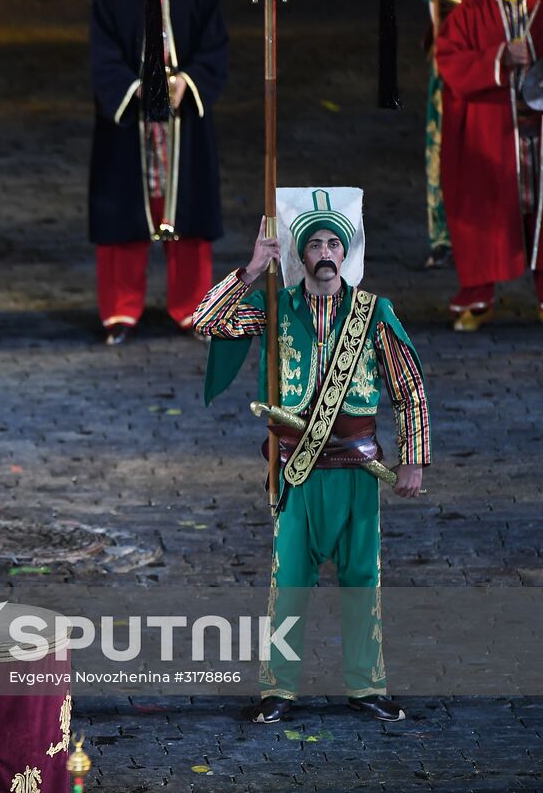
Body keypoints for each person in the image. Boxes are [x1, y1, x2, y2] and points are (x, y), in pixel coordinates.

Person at [192, 189, 430, 724]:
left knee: (362, 580)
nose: (324, 252)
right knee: (290, 580)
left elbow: (408, 386)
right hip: (296, 470)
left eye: (332, 244)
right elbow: (205, 321)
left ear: (345, 254)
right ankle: (279, 690)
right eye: (314, 244)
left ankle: (367, 687)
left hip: (357, 471)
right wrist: (253, 269)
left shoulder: (373, 313)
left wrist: (413, 458)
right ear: (302, 255)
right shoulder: (275, 309)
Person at [89, 0, 228, 345]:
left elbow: (215, 48)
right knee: (124, 216)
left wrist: (184, 84)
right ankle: (119, 311)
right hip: (130, 124)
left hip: (184, 120)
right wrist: (141, 90)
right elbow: (103, 55)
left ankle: (192, 307)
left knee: (189, 213)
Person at [378, 0, 533, 268]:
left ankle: (517, 231)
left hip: (512, 40)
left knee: (515, 137)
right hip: (456, 44)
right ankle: (445, 238)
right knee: (445, 137)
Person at [437, 0, 543, 329]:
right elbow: (449, 63)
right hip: (491, 136)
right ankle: (478, 294)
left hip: (540, 140)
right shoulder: (469, 13)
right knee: (482, 210)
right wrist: (499, 58)